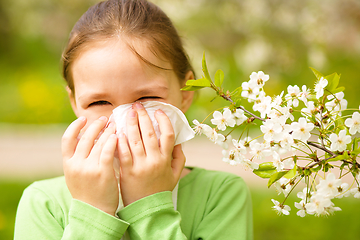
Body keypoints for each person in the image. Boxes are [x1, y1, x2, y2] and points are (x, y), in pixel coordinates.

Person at [14, 0, 253, 239]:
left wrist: (149, 208)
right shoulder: (44, 203)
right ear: (75, 101)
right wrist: (92, 214)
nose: (124, 121)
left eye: (147, 97)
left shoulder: (220, 194)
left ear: (185, 93)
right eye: (99, 102)